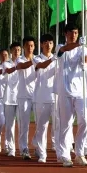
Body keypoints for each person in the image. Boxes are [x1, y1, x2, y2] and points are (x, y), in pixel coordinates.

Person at [56, 23, 87, 167]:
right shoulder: (60, 47)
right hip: (65, 91)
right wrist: (79, 45)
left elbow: (86, 61)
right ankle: (65, 155)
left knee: (84, 120)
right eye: (71, 32)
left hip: (80, 91)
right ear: (66, 34)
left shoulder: (82, 49)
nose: (74, 35)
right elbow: (64, 50)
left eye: (76, 33)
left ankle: (80, 153)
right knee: (66, 124)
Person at [32, 34, 57, 163]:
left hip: (54, 97)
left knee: (57, 125)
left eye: (51, 43)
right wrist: (54, 60)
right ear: (41, 44)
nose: (48, 45)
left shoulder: (57, 59)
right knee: (42, 127)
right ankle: (42, 153)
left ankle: (60, 150)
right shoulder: (36, 59)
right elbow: (42, 66)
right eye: (46, 42)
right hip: (40, 98)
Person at [14, 36, 37, 160]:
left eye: (32, 45)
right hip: (23, 97)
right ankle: (24, 149)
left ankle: (38, 145)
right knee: (24, 125)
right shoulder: (19, 60)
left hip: (37, 96)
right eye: (27, 45)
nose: (30, 48)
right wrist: (35, 62)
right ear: (23, 47)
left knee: (40, 123)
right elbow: (23, 66)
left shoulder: (37, 59)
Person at [1, 42, 21, 157]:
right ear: (11, 51)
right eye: (15, 50)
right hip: (9, 98)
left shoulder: (23, 61)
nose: (17, 52)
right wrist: (17, 66)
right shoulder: (6, 64)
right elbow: (8, 71)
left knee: (22, 124)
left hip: (21, 97)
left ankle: (23, 147)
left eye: (19, 50)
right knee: (10, 125)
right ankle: (10, 147)